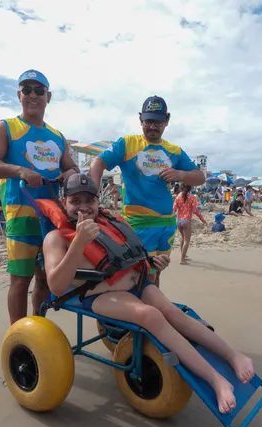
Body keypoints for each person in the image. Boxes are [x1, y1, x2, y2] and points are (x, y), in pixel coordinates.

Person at [39, 173, 254, 414]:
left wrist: (152, 262)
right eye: (75, 201)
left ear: (98, 202)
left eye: (89, 200)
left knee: (176, 314)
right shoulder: (55, 238)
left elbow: (126, 256)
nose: (83, 207)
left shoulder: (110, 223)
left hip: (136, 284)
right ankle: (216, 380)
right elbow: (56, 286)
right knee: (151, 316)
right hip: (95, 295)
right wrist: (78, 242)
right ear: (63, 201)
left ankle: (233, 356)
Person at [0, 69, 80, 325]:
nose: (33, 95)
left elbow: (72, 168)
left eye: (39, 91)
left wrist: (69, 174)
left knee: (45, 277)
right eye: (27, 90)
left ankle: (38, 326)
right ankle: (19, 335)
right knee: (20, 280)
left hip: (52, 218)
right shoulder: (7, 127)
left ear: (48, 96)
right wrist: (19, 170)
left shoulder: (57, 136)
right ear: (19, 95)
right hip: (20, 216)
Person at [88, 95, 205, 287]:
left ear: (167, 120)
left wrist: (180, 174)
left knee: (156, 273)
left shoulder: (174, 151)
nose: (152, 126)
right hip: (138, 223)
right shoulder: (127, 144)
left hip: (167, 223)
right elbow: (98, 162)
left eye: (158, 121)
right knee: (139, 274)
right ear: (140, 118)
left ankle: (152, 310)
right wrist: (92, 196)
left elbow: (199, 177)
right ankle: (140, 313)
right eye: (149, 121)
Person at [173, 183, 206, 264]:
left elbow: (173, 209)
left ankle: (183, 255)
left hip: (178, 220)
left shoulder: (178, 197)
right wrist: (202, 219)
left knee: (182, 238)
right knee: (187, 240)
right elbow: (195, 210)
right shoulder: (192, 197)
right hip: (186, 220)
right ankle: (182, 259)